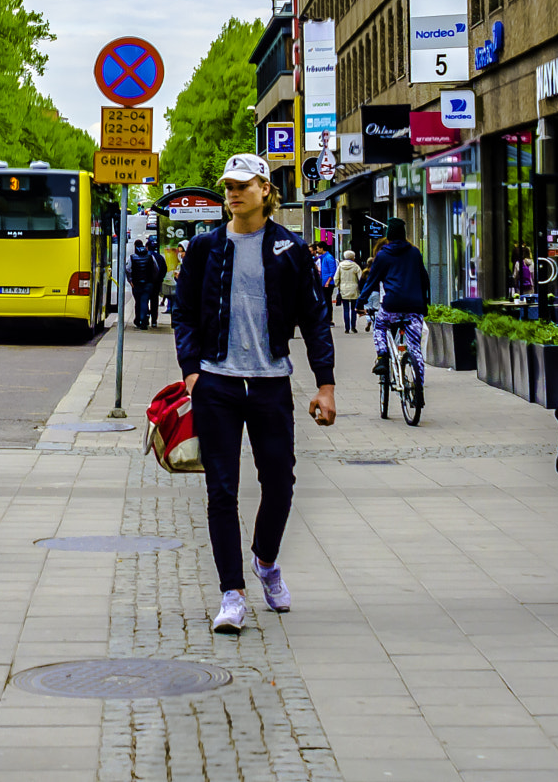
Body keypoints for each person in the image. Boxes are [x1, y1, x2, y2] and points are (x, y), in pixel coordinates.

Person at [173, 153, 336, 636]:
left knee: (280, 483)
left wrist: (325, 386)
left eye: (243, 185)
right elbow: (182, 312)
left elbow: (315, 318)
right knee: (221, 491)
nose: (232, 193)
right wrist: (191, 373)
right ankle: (232, 593)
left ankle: (265, 560)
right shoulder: (205, 248)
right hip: (216, 384)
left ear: (265, 190)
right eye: (228, 185)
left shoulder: (289, 249)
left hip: (270, 384)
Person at [359, 218, 429, 382]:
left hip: (392, 304)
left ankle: (382, 357)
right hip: (414, 306)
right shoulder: (414, 252)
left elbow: (371, 281)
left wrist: (359, 303)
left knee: (380, 327)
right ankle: (418, 388)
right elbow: (424, 279)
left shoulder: (383, 255)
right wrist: (425, 304)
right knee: (415, 347)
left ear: (388, 235)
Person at [334, 250, 361, 333]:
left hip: (344, 289)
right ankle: (353, 326)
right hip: (354, 289)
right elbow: (360, 278)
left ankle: (347, 328)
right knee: (353, 309)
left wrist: (339, 286)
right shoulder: (356, 266)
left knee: (345, 309)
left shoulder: (340, 266)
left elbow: (336, 278)